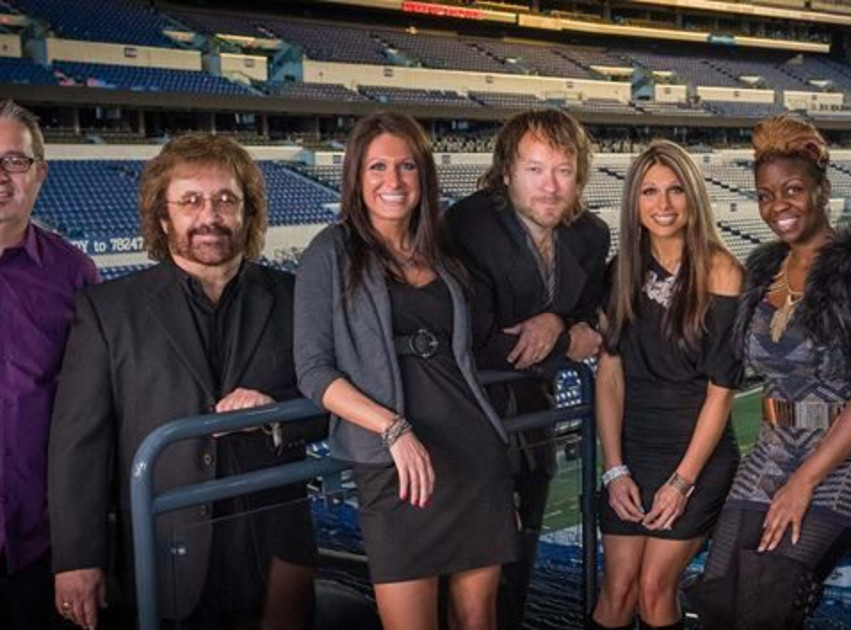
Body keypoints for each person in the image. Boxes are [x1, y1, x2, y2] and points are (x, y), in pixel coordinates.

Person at [48, 133, 317, 630]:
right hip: (165, 549)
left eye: (225, 200)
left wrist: (275, 411)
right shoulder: (108, 312)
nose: (210, 216)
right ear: (163, 216)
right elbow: (78, 444)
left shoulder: (297, 296)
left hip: (275, 546)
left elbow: (331, 403)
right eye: (190, 201)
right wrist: (76, 558)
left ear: (248, 213)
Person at [294, 111, 517, 630]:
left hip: (472, 456)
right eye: (377, 167)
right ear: (356, 176)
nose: (392, 181)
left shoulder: (443, 252)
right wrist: (393, 429)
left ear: (424, 176)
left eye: (407, 167)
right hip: (392, 466)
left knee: (477, 619)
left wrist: (558, 324)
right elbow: (312, 370)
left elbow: (477, 348)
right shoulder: (330, 252)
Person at [686, 115, 851, 629]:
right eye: (765, 195)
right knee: (719, 594)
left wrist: (804, 480)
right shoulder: (762, 272)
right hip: (770, 448)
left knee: (771, 594)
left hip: (841, 458)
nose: (777, 206)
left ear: (822, 188)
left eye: (791, 190)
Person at [444, 109, 609, 629]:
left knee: (521, 560)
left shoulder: (589, 233)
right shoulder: (468, 225)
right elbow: (486, 343)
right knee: (473, 581)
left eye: (563, 170)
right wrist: (565, 336)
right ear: (506, 171)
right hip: (470, 424)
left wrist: (560, 318)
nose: (551, 186)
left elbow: (593, 309)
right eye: (535, 169)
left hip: (534, 425)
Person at [587, 140, 743, 630]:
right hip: (632, 452)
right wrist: (614, 470)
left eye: (676, 190)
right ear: (634, 202)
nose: (664, 204)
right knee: (617, 590)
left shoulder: (722, 270)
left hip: (695, 454)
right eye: (650, 192)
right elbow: (609, 376)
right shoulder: (620, 272)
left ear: (693, 196)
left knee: (655, 591)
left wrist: (682, 481)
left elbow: (722, 390)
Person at [0, 100, 99, 630]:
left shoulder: (74, 275)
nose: (0, 176)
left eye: (14, 161)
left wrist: (81, 551)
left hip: (38, 549)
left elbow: (96, 417)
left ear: (40, 171)